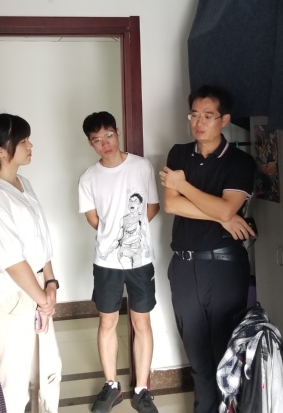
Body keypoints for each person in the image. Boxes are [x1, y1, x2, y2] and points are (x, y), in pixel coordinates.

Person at [159, 85, 256, 413]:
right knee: (196, 353)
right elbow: (172, 205)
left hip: (224, 266)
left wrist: (183, 185)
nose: (199, 122)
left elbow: (226, 207)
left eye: (208, 116)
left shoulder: (240, 162)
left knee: (226, 350)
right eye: (194, 115)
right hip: (184, 266)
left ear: (224, 120)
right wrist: (222, 216)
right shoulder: (178, 153)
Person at [0, 113, 62, 413]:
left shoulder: (22, 183)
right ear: (0, 150)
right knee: (10, 388)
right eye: (23, 141)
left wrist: (51, 283)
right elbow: (12, 261)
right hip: (9, 299)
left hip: (35, 290)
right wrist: (42, 297)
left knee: (46, 373)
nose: (31, 146)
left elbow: (41, 241)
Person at [78, 112, 160, 413]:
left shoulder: (141, 167)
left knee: (142, 322)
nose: (105, 143)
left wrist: (133, 234)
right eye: (97, 140)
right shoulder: (88, 178)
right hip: (106, 263)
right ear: (91, 144)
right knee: (107, 322)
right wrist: (114, 234)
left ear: (118, 132)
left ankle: (141, 389)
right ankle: (111, 386)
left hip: (141, 261)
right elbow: (92, 219)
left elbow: (152, 207)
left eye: (108, 135)